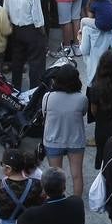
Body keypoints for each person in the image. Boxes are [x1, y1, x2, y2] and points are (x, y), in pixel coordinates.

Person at [43, 64, 89, 196]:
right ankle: (76, 203)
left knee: (55, 176)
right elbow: (83, 113)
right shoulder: (82, 99)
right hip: (75, 141)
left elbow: (43, 113)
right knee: (77, 175)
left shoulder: (48, 97)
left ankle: (56, 201)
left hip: (53, 140)